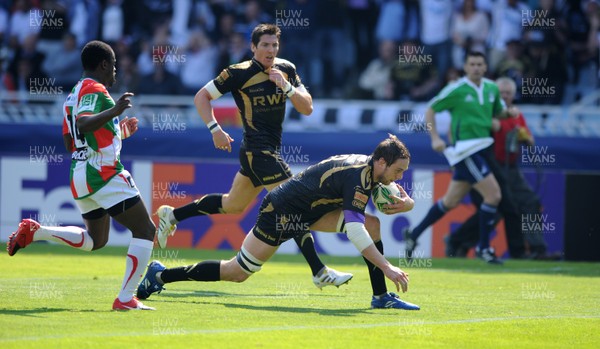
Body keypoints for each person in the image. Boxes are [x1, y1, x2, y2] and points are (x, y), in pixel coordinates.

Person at [154, 24, 354, 289]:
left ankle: (173, 216)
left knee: (233, 204)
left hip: (266, 152)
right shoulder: (238, 73)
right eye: (265, 45)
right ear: (253, 47)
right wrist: (215, 130)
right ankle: (318, 270)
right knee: (293, 202)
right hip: (257, 151)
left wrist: (287, 88)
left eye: (274, 45)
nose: (270, 50)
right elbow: (202, 97)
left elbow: (307, 108)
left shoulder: (287, 69)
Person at [138, 135, 420, 310]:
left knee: (373, 225)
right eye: (398, 170)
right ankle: (160, 275)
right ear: (381, 162)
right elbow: (355, 232)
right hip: (280, 211)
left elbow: (364, 223)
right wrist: (388, 266)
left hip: (309, 211)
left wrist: (409, 203)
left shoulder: (369, 169)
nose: (399, 177)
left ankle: (381, 297)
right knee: (237, 271)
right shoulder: (358, 177)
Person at [6, 41, 156, 311]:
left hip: (80, 174)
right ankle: (125, 299)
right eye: (113, 66)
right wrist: (115, 110)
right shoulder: (94, 88)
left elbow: (71, 141)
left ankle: (38, 232)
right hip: (104, 173)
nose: (115, 72)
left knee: (96, 241)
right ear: (104, 65)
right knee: (145, 230)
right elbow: (84, 123)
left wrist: (118, 132)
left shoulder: (73, 94)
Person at [403, 51, 517, 265]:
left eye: (479, 64)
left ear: (485, 67)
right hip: (466, 150)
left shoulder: (492, 89)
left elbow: (498, 112)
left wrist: (509, 114)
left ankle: (413, 234)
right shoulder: (457, 89)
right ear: (465, 67)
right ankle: (484, 248)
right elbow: (430, 109)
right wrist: (435, 138)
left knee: (450, 201)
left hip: (483, 148)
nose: (476, 67)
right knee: (493, 195)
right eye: (472, 64)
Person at [445, 77, 554, 259]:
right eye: (501, 93)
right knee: (494, 209)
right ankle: (459, 241)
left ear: (513, 95)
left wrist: (525, 138)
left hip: (510, 169)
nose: (504, 96)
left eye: (508, 93)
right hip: (487, 168)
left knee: (530, 202)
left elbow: (530, 139)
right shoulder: (484, 112)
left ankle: (537, 249)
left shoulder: (516, 115)